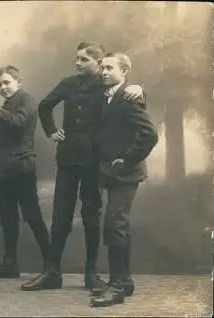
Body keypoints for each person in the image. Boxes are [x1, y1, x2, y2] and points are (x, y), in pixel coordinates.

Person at [28, 41, 144, 292]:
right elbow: (44, 106)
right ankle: (51, 272)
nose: (77, 63)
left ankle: (91, 274)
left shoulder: (107, 85)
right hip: (68, 159)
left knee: (92, 216)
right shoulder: (68, 83)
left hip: (95, 162)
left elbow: (129, 92)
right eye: (76, 59)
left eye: (84, 60)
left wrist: (138, 87)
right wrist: (51, 131)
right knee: (60, 215)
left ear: (98, 62)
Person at [90, 52, 158, 307]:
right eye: (102, 67)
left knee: (114, 224)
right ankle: (124, 281)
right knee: (118, 225)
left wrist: (127, 159)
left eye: (109, 68)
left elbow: (150, 134)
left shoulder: (129, 98)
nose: (104, 72)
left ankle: (117, 287)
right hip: (113, 173)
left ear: (124, 72)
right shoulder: (108, 95)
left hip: (127, 173)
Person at [0, 66, 52, 290]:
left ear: (19, 82)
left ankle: (52, 265)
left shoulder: (27, 100)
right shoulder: (10, 103)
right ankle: (10, 264)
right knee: (8, 217)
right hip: (5, 169)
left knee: (32, 215)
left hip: (21, 168)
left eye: (7, 82)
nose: (3, 87)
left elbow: (19, 122)